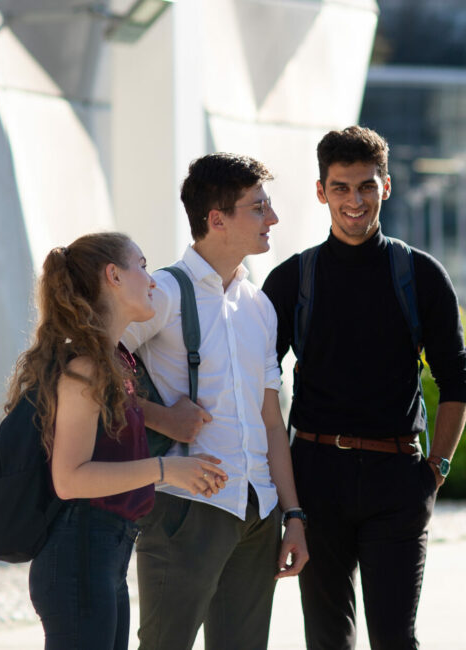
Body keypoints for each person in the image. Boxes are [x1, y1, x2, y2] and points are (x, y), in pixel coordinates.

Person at [262, 125, 466, 649]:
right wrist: (284, 497)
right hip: (316, 477)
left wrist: (436, 471)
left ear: (387, 187)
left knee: (395, 639)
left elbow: (456, 378)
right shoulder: (292, 280)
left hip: (397, 479)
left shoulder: (420, 275)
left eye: (366, 187)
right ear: (321, 191)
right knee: (328, 640)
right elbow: (258, 385)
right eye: (341, 188)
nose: (354, 201)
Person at [123, 153, 308, 650]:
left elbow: (272, 422)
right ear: (217, 219)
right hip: (186, 507)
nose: (272, 219)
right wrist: (163, 418)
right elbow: (84, 366)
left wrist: (292, 515)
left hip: (259, 509)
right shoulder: (161, 292)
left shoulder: (260, 306)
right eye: (259, 208)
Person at [13, 232, 228, 650]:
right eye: (143, 266)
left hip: (104, 554)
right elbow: (70, 479)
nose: (152, 280)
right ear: (113, 275)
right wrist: (168, 469)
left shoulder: (113, 360)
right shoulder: (89, 366)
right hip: (79, 554)